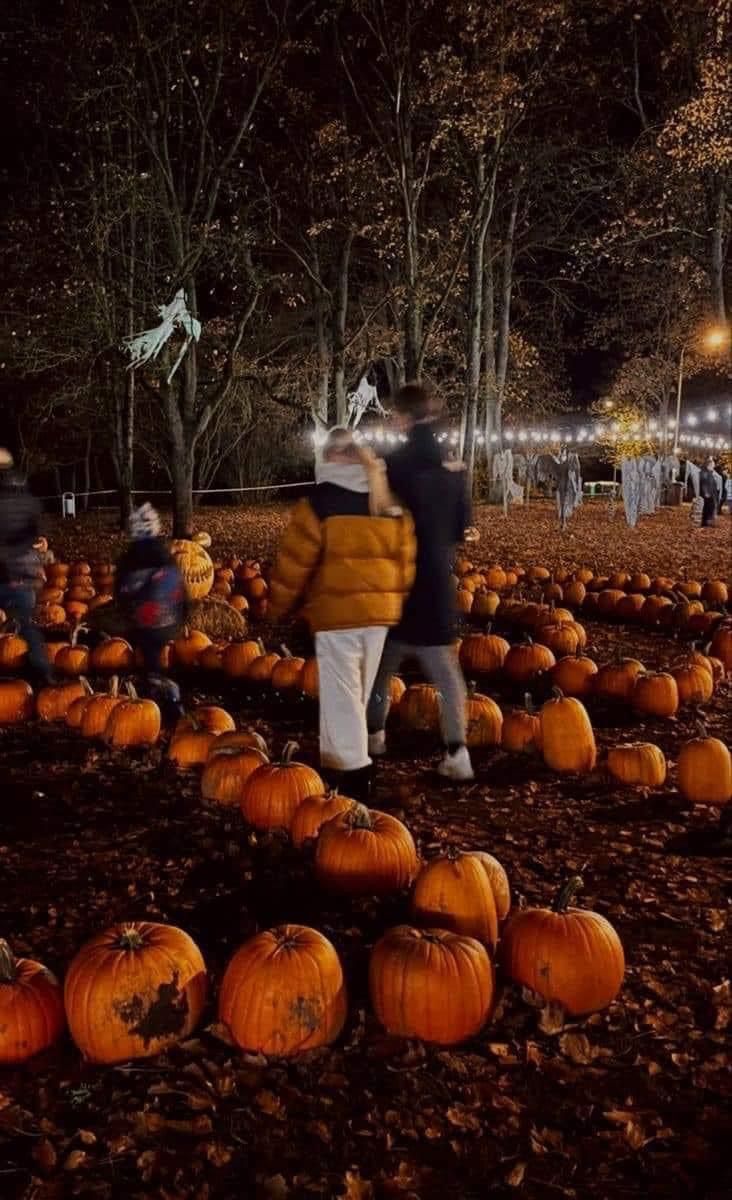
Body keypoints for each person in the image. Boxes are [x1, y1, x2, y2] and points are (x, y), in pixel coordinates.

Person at [268, 427, 416, 801]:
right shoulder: (387, 500)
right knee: (357, 691)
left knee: (343, 694)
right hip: (380, 614)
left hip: (338, 612)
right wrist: (395, 596)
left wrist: (278, 607)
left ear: (331, 457)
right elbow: (407, 558)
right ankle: (339, 760)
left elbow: (294, 562)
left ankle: (354, 773)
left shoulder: (320, 503)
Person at [366, 383, 475, 781]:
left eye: (395, 415)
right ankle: (456, 751)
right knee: (446, 675)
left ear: (404, 417)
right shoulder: (452, 471)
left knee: (381, 669)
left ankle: (374, 733)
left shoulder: (392, 466)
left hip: (397, 581)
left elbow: (376, 516)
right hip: (435, 582)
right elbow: (462, 529)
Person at [115, 503, 185, 718]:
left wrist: (123, 612)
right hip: (168, 619)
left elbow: (121, 590)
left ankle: (167, 696)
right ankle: (155, 687)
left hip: (144, 620)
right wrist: (184, 612)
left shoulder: (129, 558)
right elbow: (179, 586)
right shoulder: (164, 554)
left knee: (150, 659)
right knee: (153, 655)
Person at [0, 449, 53, 684]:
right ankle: (41, 669)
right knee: (26, 624)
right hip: (25, 576)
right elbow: (40, 537)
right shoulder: (28, 502)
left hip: (3, 574)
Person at [699, 458, 719, 527]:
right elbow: (703, 483)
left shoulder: (709, 472)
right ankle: (705, 522)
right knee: (707, 508)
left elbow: (711, 483)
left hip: (711, 493)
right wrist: (705, 492)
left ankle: (707, 522)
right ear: (709, 465)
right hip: (707, 494)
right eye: (713, 465)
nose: (714, 466)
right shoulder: (704, 472)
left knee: (709, 508)